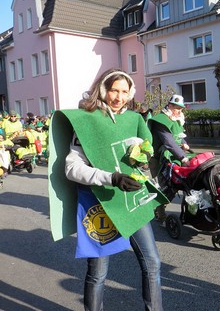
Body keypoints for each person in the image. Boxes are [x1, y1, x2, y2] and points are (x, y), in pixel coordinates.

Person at [48, 68, 167, 311]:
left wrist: (143, 159)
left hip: (131, 202)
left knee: (152, 263)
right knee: (98, 272)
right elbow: (72, 168)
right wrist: (111, 177)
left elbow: (143, 155)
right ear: (103, 89)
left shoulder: (133, 119)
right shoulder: (86, 119)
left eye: (125, 91)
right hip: (98, 202)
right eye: (114, 90)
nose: (119, 97)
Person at [148, 94, 194, 221]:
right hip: (158, 159)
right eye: (176, 108)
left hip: (173, 156)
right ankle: (160, 214)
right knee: (166, 187)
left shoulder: (176, 119)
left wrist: (184, 144)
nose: (178, 111)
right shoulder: (161, 120)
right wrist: (184, 158)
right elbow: (169, 142)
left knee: (177, 184)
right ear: (169, 105)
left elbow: (179, 136)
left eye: (180, 109)